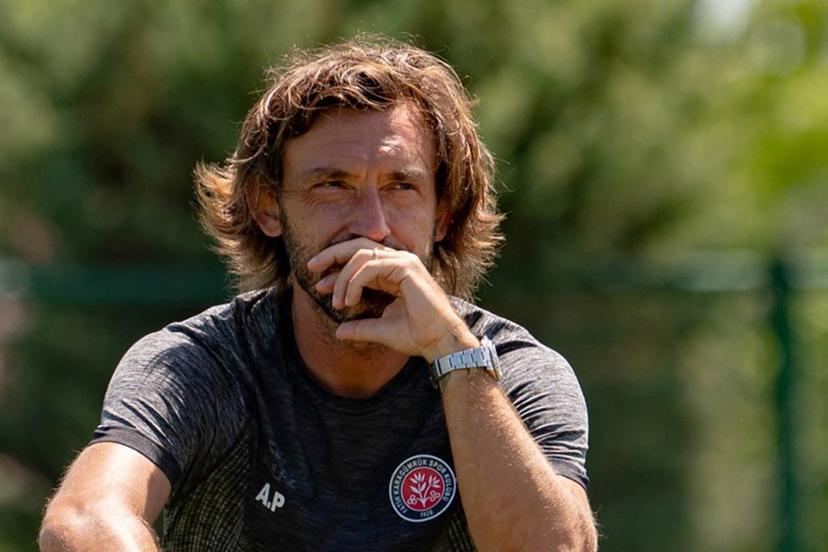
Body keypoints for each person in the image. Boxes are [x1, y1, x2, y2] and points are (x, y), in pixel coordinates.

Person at [39, 36, 597, 552]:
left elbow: (557, 547)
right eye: (333, 185)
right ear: (267, 206)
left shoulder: (516, 374)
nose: (372, 226)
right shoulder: (199, 365)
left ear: (443, 215)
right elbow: (84, 522)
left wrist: (456, 355)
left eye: (401, 187)